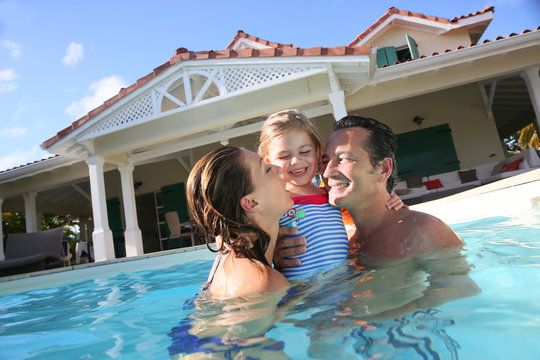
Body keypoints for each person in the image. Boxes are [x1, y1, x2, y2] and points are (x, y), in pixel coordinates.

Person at [275, 115, 462, 265]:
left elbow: (457, 302)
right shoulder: (346, 245)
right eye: (324, 162)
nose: (327, 172)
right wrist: (274, 256)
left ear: (383, 169)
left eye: (344, 159)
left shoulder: (422, 232)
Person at [259, 110, 404, 278]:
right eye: (284, 156)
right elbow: (248, 245)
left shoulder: (330, 195)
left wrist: (392, 201)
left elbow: (365, 215)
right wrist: (272, 252)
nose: (296, 161)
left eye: (305, 152)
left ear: (317, 151)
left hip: (344, 285)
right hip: (302, 293)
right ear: (268, 161)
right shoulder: (273, 201)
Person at [186, 146, 292, 299]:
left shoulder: (225, 252)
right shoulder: (264, 284)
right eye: (267, 169)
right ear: (251, 203)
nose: (278, 168)